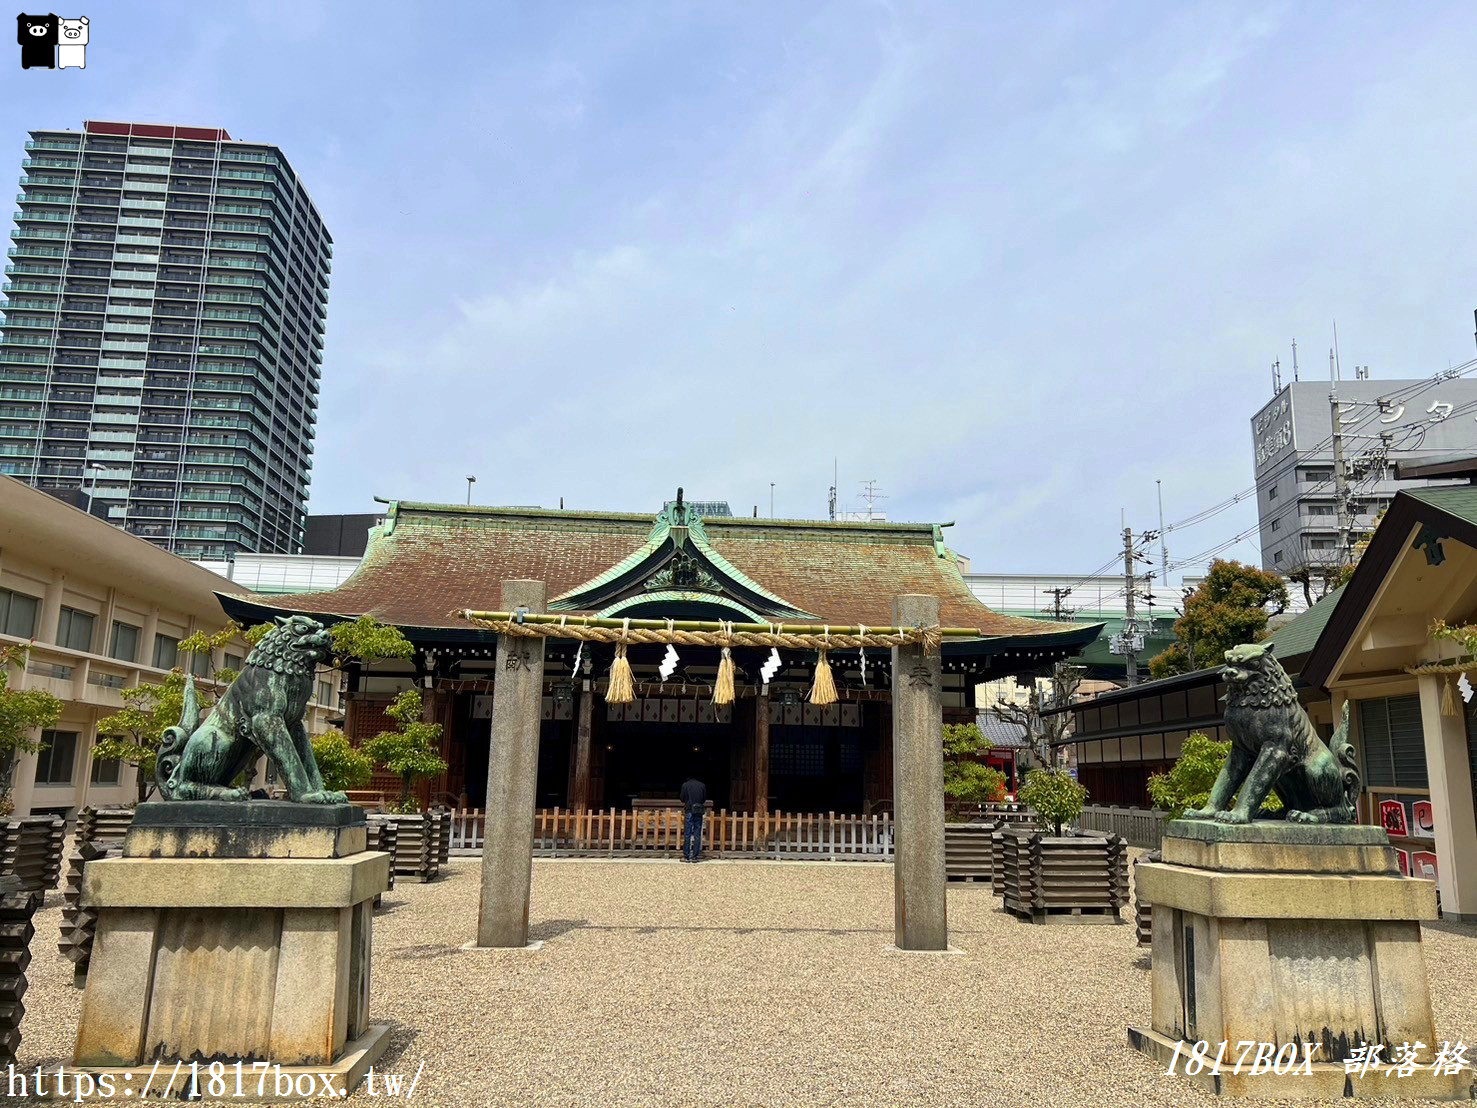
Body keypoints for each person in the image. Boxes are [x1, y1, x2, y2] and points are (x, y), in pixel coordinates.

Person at [679, 775, 707, 862]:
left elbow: (682, 798)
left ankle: (686, 855)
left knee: (687, 833)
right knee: (697, 833)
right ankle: (695, 856)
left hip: (689, 809)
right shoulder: (702, 785)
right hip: (698, 810)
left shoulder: (685, 785)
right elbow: (704, 799)